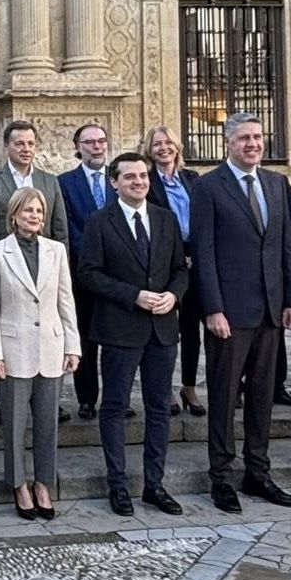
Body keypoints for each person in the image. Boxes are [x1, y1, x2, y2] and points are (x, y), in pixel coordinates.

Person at [189, 112, 291, 513]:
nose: (253, 144)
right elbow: (203, 253)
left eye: (257, 137)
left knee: (261, 396)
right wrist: (212, 308)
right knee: (223, 396)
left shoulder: (276, 183)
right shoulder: (208, 187)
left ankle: (259, 471)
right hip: (230, 314)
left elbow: (287, 245)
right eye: (244, 139)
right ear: (227, 144)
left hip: (271, 310)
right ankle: (221, 475)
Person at [79, 152, 188, 516]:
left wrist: (174, 295)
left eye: (143, 176)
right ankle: (118, 484)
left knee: (159, 409)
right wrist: (133, 296)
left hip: (161, 330)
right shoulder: (100, 222)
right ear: (115, 182)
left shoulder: (166, 219)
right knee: (113, 408)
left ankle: (154, 485)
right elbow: (89, 273)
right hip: (120, 328)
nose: (139, 182)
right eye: (130, 177)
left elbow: (180, 269)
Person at [0, 188, 79, 521]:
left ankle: (43, 483)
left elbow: (65, 301)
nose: (34, 216)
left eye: (39, 211)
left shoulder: (57, 251)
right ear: (13, 215)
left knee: (48, 424)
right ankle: (19, 484)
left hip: (50, 346)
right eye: (27, 211)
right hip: (13, 348)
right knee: (14, 424)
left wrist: (72, 344)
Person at [146, 125, 206, 416]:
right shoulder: (147, 181)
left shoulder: (192, 179)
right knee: (166, 329)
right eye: (157, 144)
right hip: (164, 264)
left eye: (168, 142)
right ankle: (166, 387)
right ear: (150, 149)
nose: (164, 148)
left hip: (195, 263)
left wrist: (196, 254)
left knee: (192, 329)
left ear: (178, 147)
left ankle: (190, 386)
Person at [58, 123, 114, 418]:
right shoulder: (65, 182)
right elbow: (67, 228)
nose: (97, 147)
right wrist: (94, 255)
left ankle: (117, 398)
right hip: (83, 272)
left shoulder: (120, 179)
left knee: (118, 340)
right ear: (78, 147)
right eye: (90, 142)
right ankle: (87, 399)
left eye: (101, 141)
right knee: (86, 338)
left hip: (120, 275)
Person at [0, 119, 70, 251]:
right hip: (7, 260)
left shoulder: (50, 181)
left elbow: (60, 231)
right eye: (19, 144)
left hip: (45, 259)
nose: (26, 149)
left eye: (31, 144)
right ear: (6, 145)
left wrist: (61, 264)